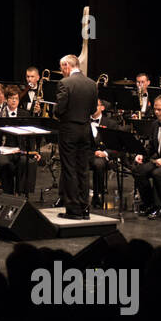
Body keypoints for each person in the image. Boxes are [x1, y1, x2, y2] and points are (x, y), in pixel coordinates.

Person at [54, 54, 98, 219]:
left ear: (66, 65)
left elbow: (59, 109)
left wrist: (55, 111)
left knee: (69, 169)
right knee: (83, 169)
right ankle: (84, 208)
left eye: (61, 67)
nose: (61, 71)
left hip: (69, 130)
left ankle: (73, 210)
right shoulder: (92, 84)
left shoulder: (65, 83)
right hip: (85, 130)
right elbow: (93, 109)